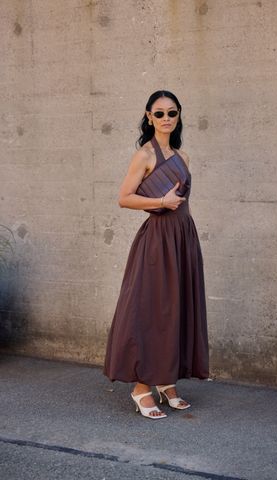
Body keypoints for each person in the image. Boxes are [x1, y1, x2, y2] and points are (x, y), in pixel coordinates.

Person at [103, 90, 209, 419]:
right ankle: (140, 387)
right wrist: (161, 203)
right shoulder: (145, 155)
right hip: (157, 241)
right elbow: (124, 198)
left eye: (172, 113)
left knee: (178, 309)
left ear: (179, 117)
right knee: (150, 311)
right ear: (149, 117)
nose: (166, 119)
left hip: (183, 238)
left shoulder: (183, 156)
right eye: (159, 113)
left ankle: (166, 381)